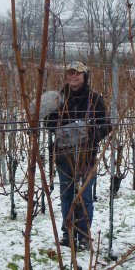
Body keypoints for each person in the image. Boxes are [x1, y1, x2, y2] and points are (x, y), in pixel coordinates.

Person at [44, 61, 111, 251]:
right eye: (70, 73)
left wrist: (90, 136)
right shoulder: (57, 99)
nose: (73, 77)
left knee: (85, 197)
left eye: (77, 74)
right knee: (66, 196)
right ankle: (68, 234)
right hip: (63, 156)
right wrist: (60, 124)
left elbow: (106, 126)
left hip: (86, 156)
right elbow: (46, 123)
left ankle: (83, 234)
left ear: (85, 77)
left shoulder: (94, 99)